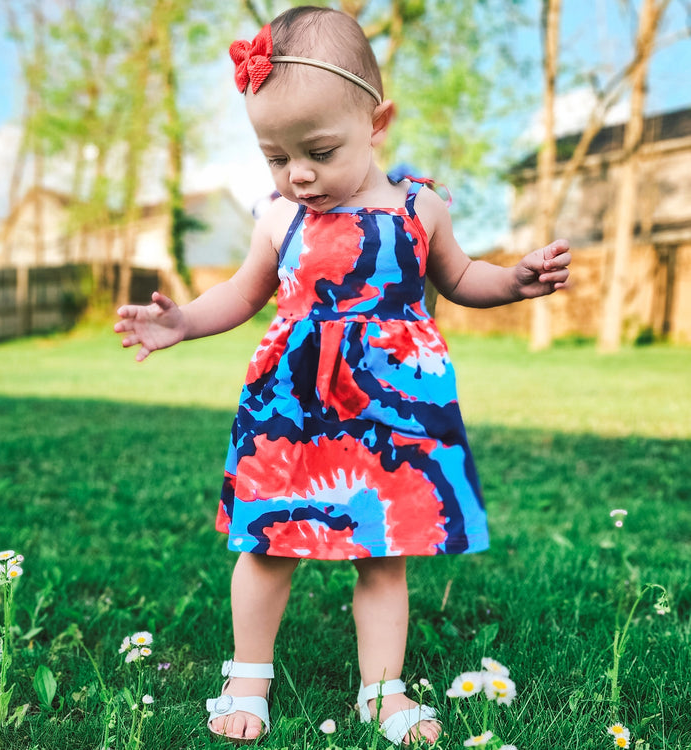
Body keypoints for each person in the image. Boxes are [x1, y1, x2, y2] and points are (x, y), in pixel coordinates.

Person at [114, 6, 570, 745]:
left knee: (384, 555)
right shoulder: (277, 218)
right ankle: (247, 677)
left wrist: (514, 280)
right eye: (275, 156)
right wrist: (183, 322)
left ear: (377, 121)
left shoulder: (420, 207)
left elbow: (460, 278)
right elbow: (241, 293)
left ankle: (382, 692)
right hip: (292, 411)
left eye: (319, 151)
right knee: (268, 545)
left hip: (391, 411)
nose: (297, 173)